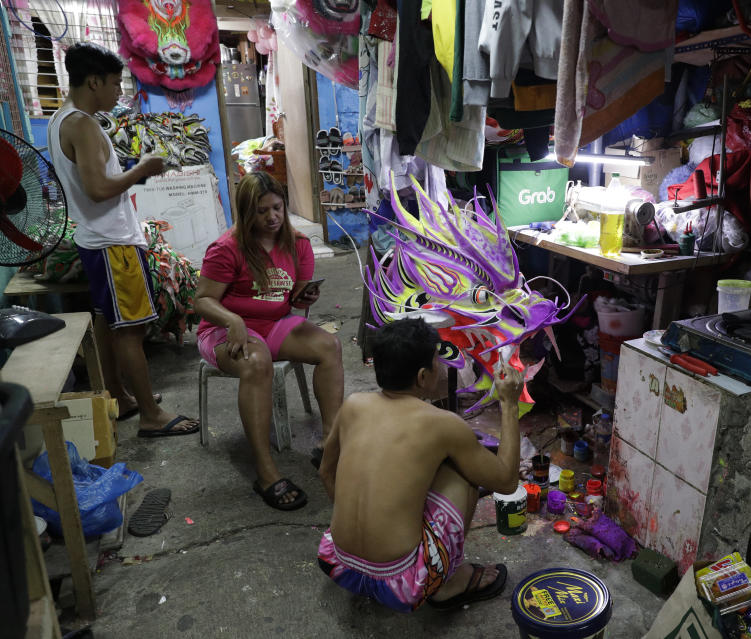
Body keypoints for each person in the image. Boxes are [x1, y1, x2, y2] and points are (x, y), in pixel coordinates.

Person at [317, 318, 523, 612]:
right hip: (403, 584)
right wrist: (509, 403)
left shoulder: (353, 405)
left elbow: (326, 471)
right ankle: (447, 583)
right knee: (463, 472)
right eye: (437, 363)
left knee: (417, 467)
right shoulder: (442, 424)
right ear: (423, 376)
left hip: (336, 561)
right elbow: (505, 481)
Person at [47, 42, 199, 437]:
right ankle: (151, 416)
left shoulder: (61, 120)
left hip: (95, 238)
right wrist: (143, 169)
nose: (119, 92)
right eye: (115, 83)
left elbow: (91, 184)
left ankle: (118, 391)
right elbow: (98, 189)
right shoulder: (82, 124)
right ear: (93, 80)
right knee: (131, 329)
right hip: (112, 244)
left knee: (109, 320)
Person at [194, 171, 343, 511]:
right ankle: (265, 472)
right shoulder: (226, 249)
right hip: (222, 330)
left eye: (277, 207)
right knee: (256, 362)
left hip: (273, 323)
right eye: (262, 211)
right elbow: (201, 300)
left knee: (328, 346)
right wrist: (233, 321)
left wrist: (304, 299)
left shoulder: (298, 243)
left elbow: (292, 298)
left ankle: (330, 445)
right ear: (248, 212)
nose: (272, 217)